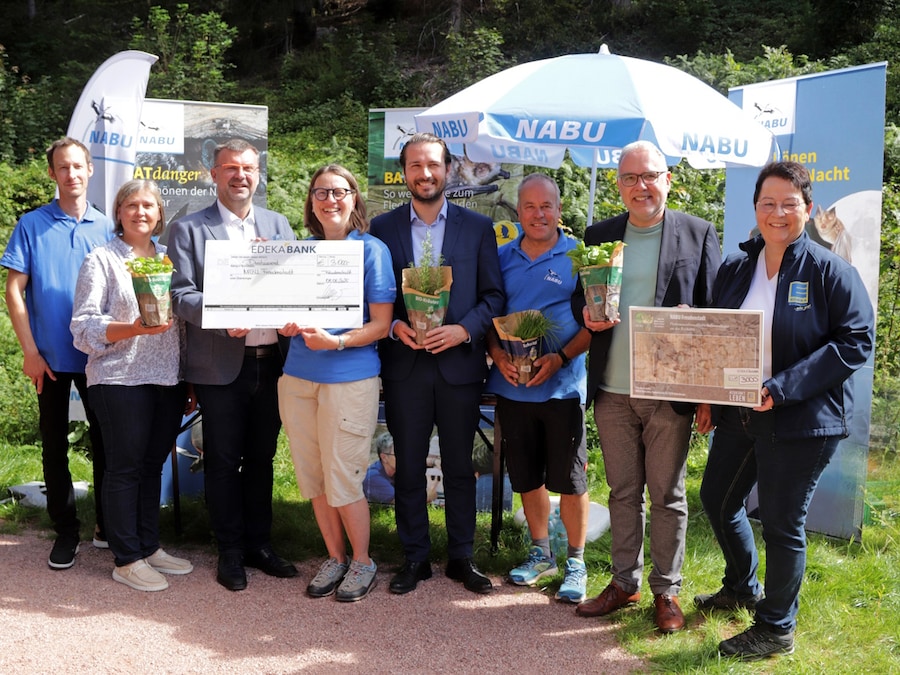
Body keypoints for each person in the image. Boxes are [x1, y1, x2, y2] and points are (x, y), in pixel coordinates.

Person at [696, 161, 874, 660]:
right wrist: (708, 390)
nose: (777, 213)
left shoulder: (828, 270)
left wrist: (783, 388)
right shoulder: (736, 267)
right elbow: (717, 332)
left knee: (781, 522)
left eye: (789, 204)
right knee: (718, 497)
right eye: (768, 203)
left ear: (808, 208)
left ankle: (775, 629)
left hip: (802, 419)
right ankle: (741, 587)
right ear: (756, 209)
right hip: (741, 413)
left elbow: (856, 340)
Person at [572, 140, 721, 632]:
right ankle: (623, 582)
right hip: (612, 388)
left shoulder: (696, 234)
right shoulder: (600, 235)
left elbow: (715, 315)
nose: (641, 186)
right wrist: (589, 318)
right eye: (631, 178)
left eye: (650, 176)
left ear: (668, 179)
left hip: (668, 391)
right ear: (619, 185)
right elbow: (581, 303)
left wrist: (705, 392)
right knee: (621, 491)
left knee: (668, 493)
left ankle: (667, 591)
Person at [371, 132, 505, 595]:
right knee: (406, 465)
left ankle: (461, 557)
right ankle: (414, 558)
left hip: (459, 365)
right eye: (414, 166)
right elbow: (373, 297)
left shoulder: (478, 227)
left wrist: (464, 328)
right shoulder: (382, 229)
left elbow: (493, 296)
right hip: (404, 364)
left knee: (458, 465)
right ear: (403, 173)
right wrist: (392, 328)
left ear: (448, 169)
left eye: (432, 165)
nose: (424, 174)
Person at [167, 138, 298, 591]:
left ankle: (259, 545)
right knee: (223, 460)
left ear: (258, 173)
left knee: (262, 458)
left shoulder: (279, 226)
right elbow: (180, 295)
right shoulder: (187, 229)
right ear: (214, 174)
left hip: (273, 362)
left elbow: (298, 287)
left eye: (248, 168)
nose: (240, 176)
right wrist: (227, 319)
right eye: (230, 168)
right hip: (223, 365)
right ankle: (229, 550)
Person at [278, 164, 395, 602]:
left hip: (349, 378)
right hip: (297, 378)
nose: (330, 200)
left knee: (343, 475)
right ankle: (335, 556)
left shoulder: (371, 250)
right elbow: (286, 312)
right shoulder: (299, 252)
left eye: (339, 192)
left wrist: (338, 342)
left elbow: (381, 325)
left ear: (354, 199)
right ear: (311, 201)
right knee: (313, 476)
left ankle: (363, 561)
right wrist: (284, 322)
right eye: (321, 193)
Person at [70, 179, 193, 592]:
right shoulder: (101, 259)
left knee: (151, 466)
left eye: (149, 206)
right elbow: (83, 327)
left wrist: (187, 375)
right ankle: (126, 558)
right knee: (123, 468)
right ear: (119, 213)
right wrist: (133, 328)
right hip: (119, 377)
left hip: (167, 378)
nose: (140, 212)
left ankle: (148, 544)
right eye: (131, 205)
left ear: (160, 214)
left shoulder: (170, 259)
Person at [2, 137, 113, 569]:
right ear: (52, 174)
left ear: (90, 170)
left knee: (107, 444)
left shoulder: (107, 228)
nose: (71, 174)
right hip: (47, 358)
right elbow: (14, 292)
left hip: (98, 356)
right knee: (53, 446)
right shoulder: (31, 224)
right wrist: (30, 352)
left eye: (77, 166)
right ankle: (65, 531)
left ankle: (107, 525)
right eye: (62, 168)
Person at [485, 174, 592, 603]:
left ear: (559, 211)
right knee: (526, 476)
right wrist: (497, 354)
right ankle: (541, 552)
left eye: (546, 206)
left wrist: (561, 358)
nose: (538, 214)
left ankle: (576, 561)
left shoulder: (580, 257)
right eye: (529, 207)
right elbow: (488, 316)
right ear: (519, 213)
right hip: (512, 388)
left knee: (571, 480)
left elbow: (595, 324)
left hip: (563, 388)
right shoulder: (500, 257)